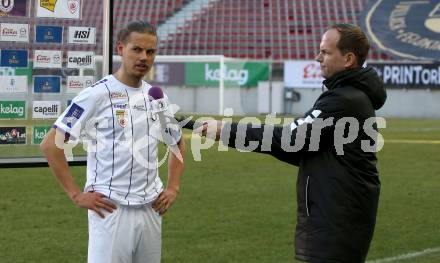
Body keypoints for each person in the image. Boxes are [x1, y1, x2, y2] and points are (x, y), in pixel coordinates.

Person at [187, 23, 386, 262]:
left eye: (325, 52)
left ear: (348, 59)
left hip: (337, 221)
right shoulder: (348, 96)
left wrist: (227, 129)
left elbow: (290, 139)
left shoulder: (343, 100)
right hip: (340, 218)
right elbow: (300, 149)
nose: (317, 57)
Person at [40, 21, 185, 263]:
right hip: (110, 209)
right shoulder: (96, 94)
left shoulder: (156, 96)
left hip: (151, 208)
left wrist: (173, 187)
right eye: (136, 49)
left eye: (150, 52)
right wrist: (76, 195)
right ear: (120, 48)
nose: (144, 57)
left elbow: (177, 143)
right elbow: (50, 144)